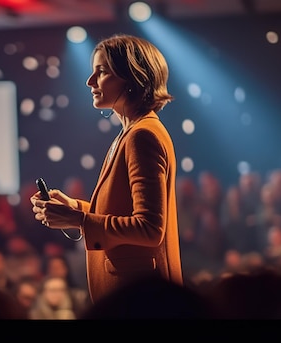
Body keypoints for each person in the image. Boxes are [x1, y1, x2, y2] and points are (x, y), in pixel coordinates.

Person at [31, 34, 183, 304]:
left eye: (101, 72)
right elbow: (126, 213)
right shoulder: (132, 133)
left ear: (133, 78)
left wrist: (79, 220)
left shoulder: (141, 136)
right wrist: (77, 209)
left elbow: (149, 228)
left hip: (141, 300)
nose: (90, 81)